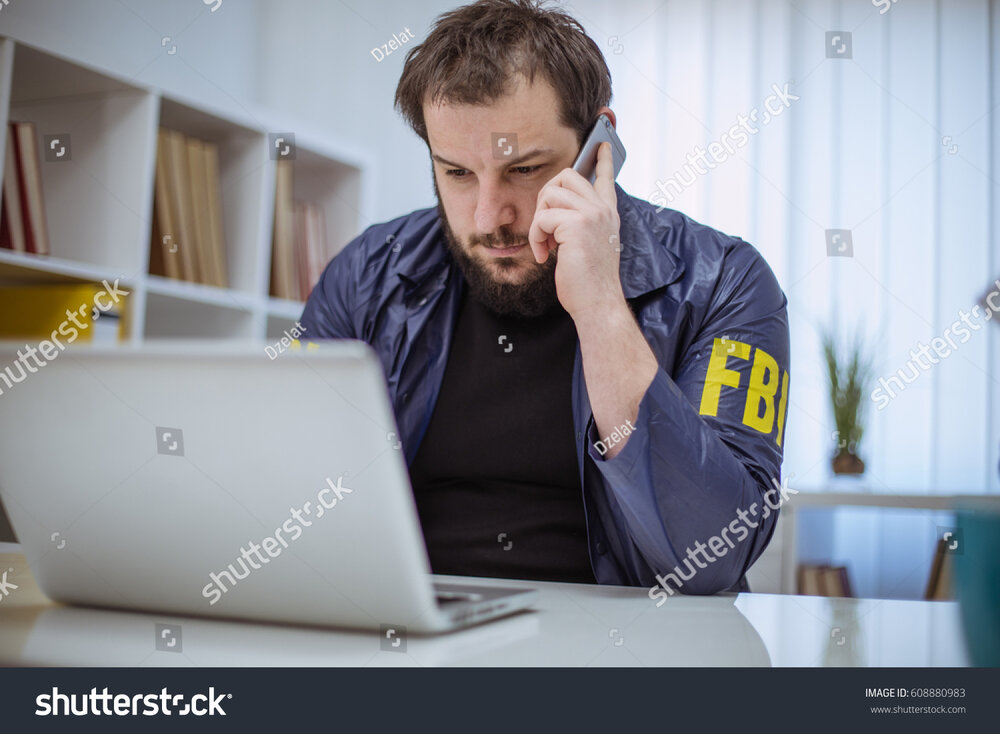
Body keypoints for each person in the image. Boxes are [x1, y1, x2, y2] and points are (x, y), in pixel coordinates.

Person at [299, 0, 790, 594]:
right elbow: (292, 507)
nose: (490, 217)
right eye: (456, 173)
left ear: (598, 147)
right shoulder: (365, 276)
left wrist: (603, 305)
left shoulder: (726, 283)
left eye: (525, 170)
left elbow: (714, 555)